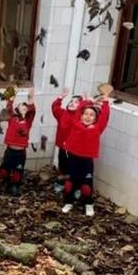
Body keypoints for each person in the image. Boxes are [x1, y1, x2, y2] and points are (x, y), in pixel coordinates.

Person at [61, 86, 111, 216]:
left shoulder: (97, 128)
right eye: (86, 114)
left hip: (86, 161)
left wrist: (105, 101)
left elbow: (104, 116)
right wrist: (86, 101)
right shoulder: (76, 123)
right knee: (69, 184)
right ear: (82, 115)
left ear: (95, 118)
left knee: (86, 187)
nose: (88, 117)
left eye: (92, 115)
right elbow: (78, 111)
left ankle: (88, 204)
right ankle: (69, 202)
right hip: (73, 158)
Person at [0, 87, 36, 196]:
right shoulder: (12, 119)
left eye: (26, 107)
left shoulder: (27, 122)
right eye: (21, 106)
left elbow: (33, 111)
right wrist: (12, 97)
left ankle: (15, 185)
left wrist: (31, 99)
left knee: (17, 171)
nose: (24, 108)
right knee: (5, 169)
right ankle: (4, 182)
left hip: (20, 153)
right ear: (17, 110)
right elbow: (9, 108)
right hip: (10, 151)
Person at [51, 87, 81, 193]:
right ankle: (60, 183)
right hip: (63, 148)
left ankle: (74, 187)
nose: (72, 103)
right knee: (62, 166)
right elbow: (55, 108)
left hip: (74, 150)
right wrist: (60, 98)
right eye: (71, 101)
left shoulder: (79, 118)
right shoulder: (63, 114)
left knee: (73, 168)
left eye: (76, 102)